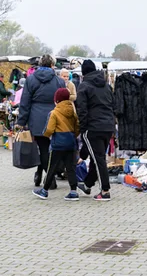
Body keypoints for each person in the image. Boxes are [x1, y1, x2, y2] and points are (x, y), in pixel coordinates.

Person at [17, 55, 65, 189]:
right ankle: (45, 175)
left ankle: (46, 177)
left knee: (43, 149)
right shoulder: (59, 81)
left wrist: (21, 121)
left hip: (36, 118)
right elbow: (64, 102)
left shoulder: (31, 80)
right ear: (52, 65)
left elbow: (25, 102)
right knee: (53, 150)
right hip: (55, 118)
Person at [75, 59, 115, 201]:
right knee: (96, 156)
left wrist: (83, 128)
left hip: (93, 127)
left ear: (83, 72)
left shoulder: (83, 86)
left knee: (98, 159)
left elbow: (82, 110)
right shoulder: (106, 85)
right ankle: (87, 184)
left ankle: (105, 190)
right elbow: (113, 104)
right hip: (108, 126)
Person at [34, 88, 80, 201]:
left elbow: (49, 129)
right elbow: (77, 127)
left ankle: (44, 191)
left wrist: (45, 134)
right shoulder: (73, 112)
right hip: (70, 143)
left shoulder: (54, 113)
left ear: (57, 100)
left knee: (52, 167)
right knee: (71, 168)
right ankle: (73, 192)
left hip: (58, 144)